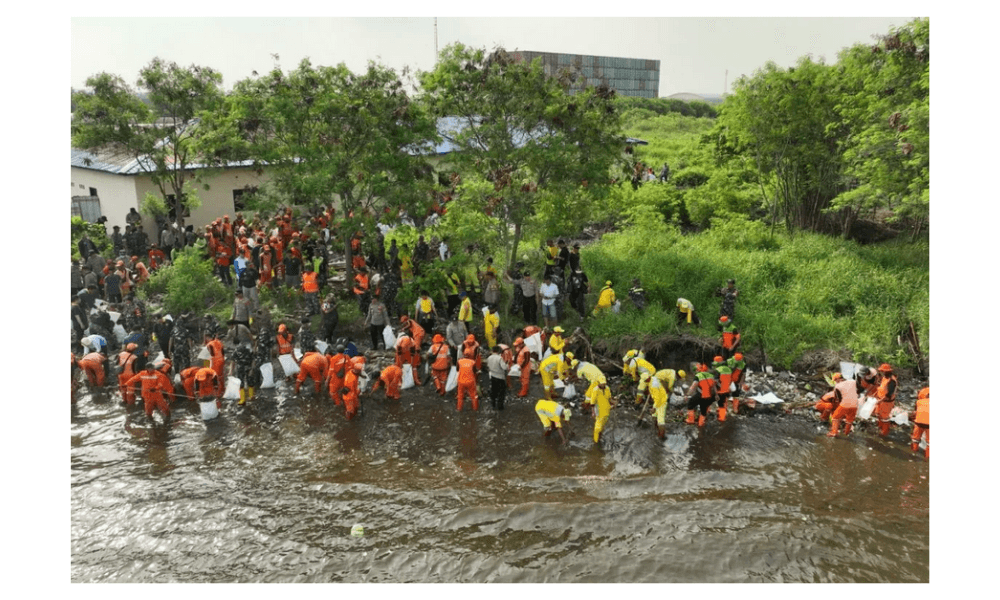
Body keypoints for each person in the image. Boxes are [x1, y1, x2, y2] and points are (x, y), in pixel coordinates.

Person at [828, 371, 864, 437]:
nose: (835, 381)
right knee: (849, 420)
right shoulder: (852, 382)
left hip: (845, 403)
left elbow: (839, 398)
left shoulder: (838, 386)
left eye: (835, 380)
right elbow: (859, 390)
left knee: (835, 417)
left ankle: (834, 432)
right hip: (855, 404)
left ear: (838, 379)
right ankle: (846, 433)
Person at [874, 363, 898, 437]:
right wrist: (875, 395)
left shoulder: (892, 380)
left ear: (888, 371)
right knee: (878, 414)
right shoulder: (884, 378)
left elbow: (889, 394)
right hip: (880, 400)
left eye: (883, 371)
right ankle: (880, 428)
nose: (882, 372)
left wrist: (880, 400)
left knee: (885, 418)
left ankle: (884, 433)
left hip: (887, 402)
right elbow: (882, 387)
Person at [711, 356, 734, 422]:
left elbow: (715, 383)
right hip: (726, 390)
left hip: (719, 391)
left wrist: (715, 393)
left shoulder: (718, 370)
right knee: (723, 404)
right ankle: (723, 416)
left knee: (712, 402)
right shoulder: (728, 369)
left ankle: (720, 418)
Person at [486, 346, 509, 410]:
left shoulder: (489, 358)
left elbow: (487, 366)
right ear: (499, 351)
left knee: (494, 391)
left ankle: (493, 404)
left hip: (493, 376)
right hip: (500, 377)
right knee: (501, 393)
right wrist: (507, 364)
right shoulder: (499, 358)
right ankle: (500, 406)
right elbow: (504, 368)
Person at [910, 386, 929, 459]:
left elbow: (915, 413)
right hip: (929, 425)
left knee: (915, 439)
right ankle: (927, 457)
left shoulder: (919, 402)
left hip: (918, 422)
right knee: (929, 443)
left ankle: (913, 452)